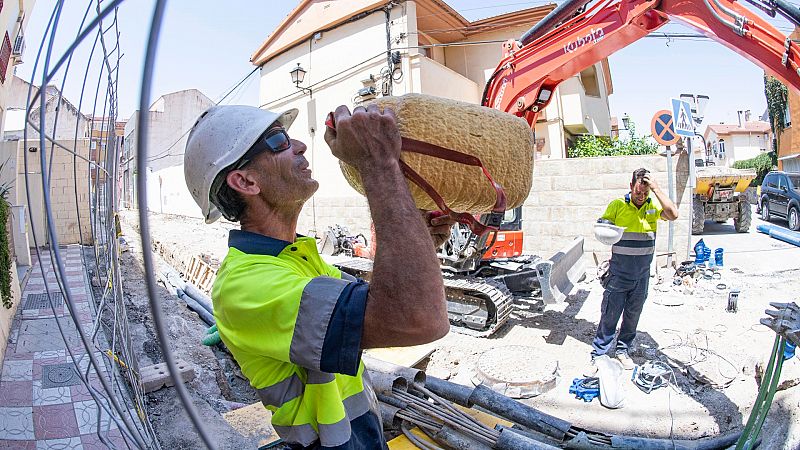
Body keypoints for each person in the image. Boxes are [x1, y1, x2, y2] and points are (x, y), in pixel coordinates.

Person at [183, 103, 454, 449]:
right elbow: (419, 318)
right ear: (245, 181)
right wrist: (378, 164)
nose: (300, 145)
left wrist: (420, 242)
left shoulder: (298, 258)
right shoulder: (245, 286)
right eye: (278, 140)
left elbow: (385, 302)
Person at [590, 168, 679, 371]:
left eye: (645, 192)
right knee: (610, 315)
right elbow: (603, 225)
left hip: (642, 276)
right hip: (619, 273)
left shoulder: (653, 205)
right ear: (631, 186)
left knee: (632, 316)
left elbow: (673, 214)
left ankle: (622, 350)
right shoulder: (618, 205)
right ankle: (599, 353)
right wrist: (605, 228)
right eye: (638, 191)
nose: (641, 196)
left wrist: (656, 189)